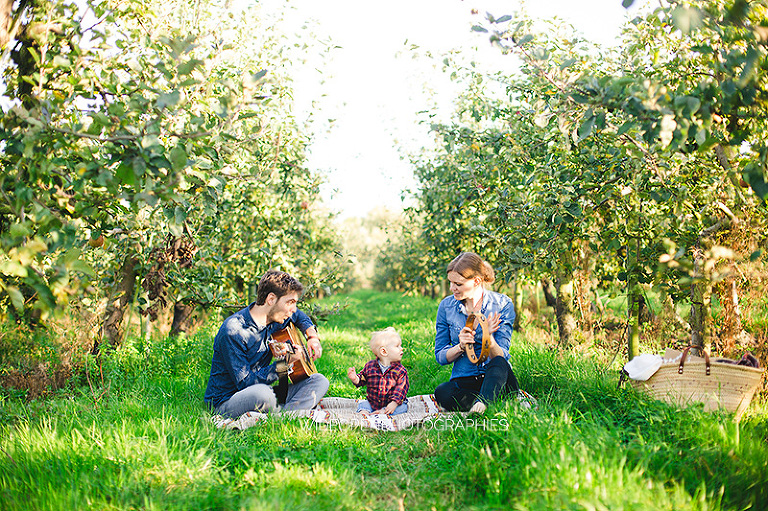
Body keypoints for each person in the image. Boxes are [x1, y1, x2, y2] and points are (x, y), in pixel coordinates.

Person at [204, 270, 329, 418]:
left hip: (262, 391)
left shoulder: (276, 317)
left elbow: (299, 316)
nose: (293, 309)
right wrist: (285, 362)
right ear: (271, 299)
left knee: (319, 381)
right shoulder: (234, 331)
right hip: (226, 401)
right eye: (290, 303)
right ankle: (288, 414)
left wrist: (312, 337)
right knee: (263, 394)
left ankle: (284, 416)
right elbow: (246, 383)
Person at [433, 252, 520, 414]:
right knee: (441, 392)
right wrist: (460, 346)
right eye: (451, 282)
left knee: (499, 363)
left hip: (497, 377)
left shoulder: (502, 305)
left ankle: (484, 402)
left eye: (458, 284)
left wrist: (488, 337)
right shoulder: (446, 307)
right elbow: (440, 356)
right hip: (466, 380)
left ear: (477, 281)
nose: (452, 288)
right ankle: (486, 402)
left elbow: (502, 356)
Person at [347, 327, 409, 415]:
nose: (402, 348)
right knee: (364, 404)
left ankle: (383, 412)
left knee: (403, 407)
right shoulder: (370, 366)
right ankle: (364, 412)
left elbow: (401, 388)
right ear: (384, 351)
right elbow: (363, 378)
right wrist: (356, 378)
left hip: (393, 403)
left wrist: (394, 403)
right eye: (397, 346)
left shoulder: (400, 371)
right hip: (374, 401)